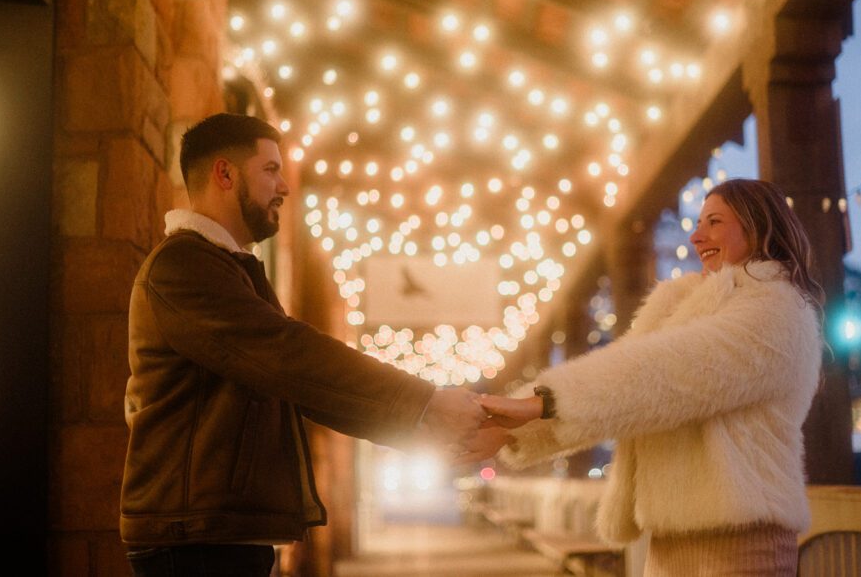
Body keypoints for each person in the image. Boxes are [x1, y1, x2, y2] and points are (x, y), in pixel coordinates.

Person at [121, 113, 486, 576]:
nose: (284, 187)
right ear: (225, 173)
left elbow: (302, 387)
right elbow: (294, 358)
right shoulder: (184, 266)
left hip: (213, 533)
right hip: (190, 540)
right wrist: (425, 403)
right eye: (270, 169)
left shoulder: (229, 268)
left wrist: (424, 426)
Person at [471, 179, 825, 576]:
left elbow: (666, 372)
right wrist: (511, 430)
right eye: (697, 222)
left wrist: (540, 403)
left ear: (758, 227)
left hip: (741, 541)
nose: (696, 236)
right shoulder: (689, 309)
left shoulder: (777, 311)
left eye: (714, 222)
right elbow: (631, 392)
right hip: (670, 537)